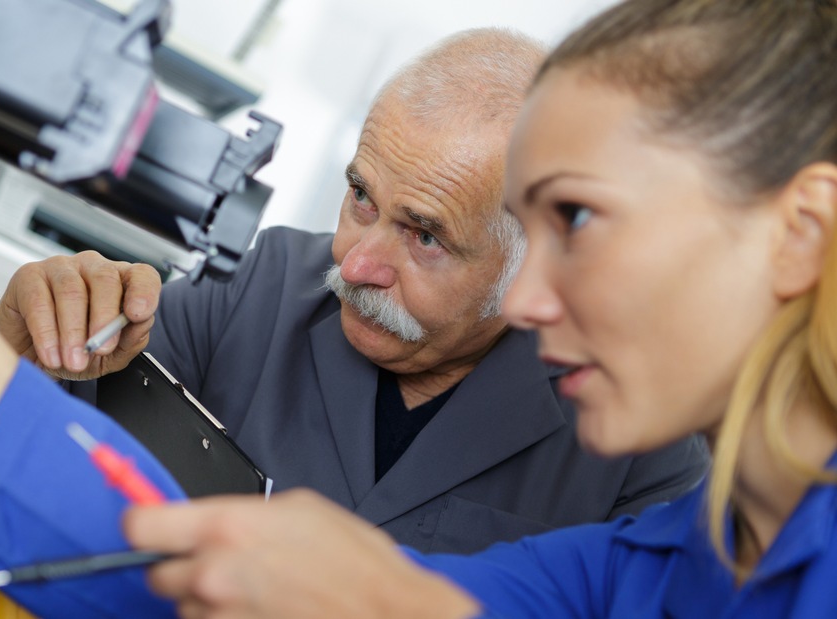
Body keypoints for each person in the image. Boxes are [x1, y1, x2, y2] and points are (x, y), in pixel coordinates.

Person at [109, 0, 837, 616]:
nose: (524, 300)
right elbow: (395, 597)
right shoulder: (650, 560)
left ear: (801, 234)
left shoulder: (654, 505)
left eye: (579, 219)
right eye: (361, 195)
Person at [0, 28, 709, 552]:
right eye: (361, 197)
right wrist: (20, 346)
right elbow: (32, 469)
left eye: (425, 235)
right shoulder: (254, 286)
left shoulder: (639, 445)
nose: (357, 263)